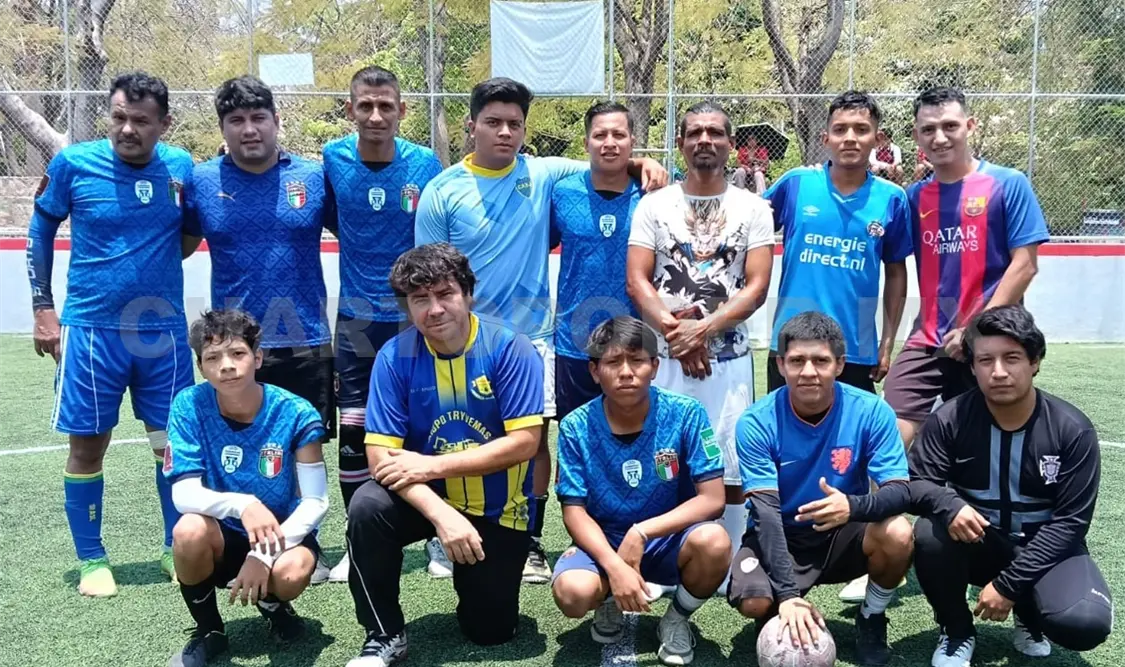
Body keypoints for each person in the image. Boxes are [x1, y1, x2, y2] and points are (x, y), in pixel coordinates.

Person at [415, 77, 667, 583]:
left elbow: (608, 161)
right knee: (454, 433)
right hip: (462, 340)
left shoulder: (544, 173)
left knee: (534, 441)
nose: (505, 132)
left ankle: (529, 539)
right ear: (471, 126)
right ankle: (444, 533)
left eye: (514, 124)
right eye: (493, 122)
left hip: (532, 338)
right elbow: (427, 275)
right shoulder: (443, 190)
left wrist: (646, 162)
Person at [847, 305, 1113, 666]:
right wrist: (950, 505)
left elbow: (1070, 524)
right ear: (972, 367)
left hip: (1045, 548)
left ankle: (1030, 616)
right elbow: (917, 483)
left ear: (1035, 361)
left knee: (1084, 624)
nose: (999, 372)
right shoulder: (951, 418)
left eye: (1012, 358)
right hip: (981, 544)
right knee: (930, 533)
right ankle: (957, 630)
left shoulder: (1072, 429)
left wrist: (1008, 586)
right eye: (986, 360)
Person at [26, 71, 194, 597]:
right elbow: (40, 229)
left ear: (163, 124)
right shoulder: (73, 164)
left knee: (172, 447)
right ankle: (92, 560)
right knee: (88, 447)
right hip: (92, 330)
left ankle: (175, 547)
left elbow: (188, 233)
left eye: (141, 121)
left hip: (161, 331)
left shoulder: (182, 168)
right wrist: (43, 309)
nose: (127, 129)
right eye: (119, 117)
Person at [344, 243, 545, 666]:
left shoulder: (510, 348)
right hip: (426, 501)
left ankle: (477, 582)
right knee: (366, 506)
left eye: (445, 294)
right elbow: (380, 458)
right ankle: (383, 633)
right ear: (408, 306)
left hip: (496, 509)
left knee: (491, 632)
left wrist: (432, 465)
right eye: (420, 299)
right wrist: (443, 516)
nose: (434, 309)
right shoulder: (394, 356)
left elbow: (525, 443)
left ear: (467, 294)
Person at [625, 100, 774, 566]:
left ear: (729, 144)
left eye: (714, 132)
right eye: (694, 133)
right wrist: (675, 336)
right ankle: (661, 557)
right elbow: (637, 280)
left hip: (727, 359)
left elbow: (757, 286)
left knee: (729, 460)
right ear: (681, 143)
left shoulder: (753, 208)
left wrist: (702, 332)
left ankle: (727, 560)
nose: (704, 140)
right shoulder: (654, 206)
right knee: (664, 458)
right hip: (664, 357)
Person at [730, 312, 914, 667]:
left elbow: (899, 492)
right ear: (781, 364)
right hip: (781, 532)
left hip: (842, 533)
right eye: (797, 361)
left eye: (820, 360)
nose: (809, 371)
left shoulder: (872, 411)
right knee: (755, 602)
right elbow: (766, 514)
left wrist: (852, 507)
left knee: (898, 532)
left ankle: (872, 617)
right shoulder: (756, 421)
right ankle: (778, 610)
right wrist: (787, 596)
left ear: (840, 364)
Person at [321, 65, 443, 582]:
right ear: (350, 110)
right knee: (353, 434)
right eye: (365, 106)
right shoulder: (331, 160)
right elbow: (329, 216)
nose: (375, 115)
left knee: (430, 427)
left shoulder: (425, 164)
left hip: (415, 322)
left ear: (401, 111)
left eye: (385, 106)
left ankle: (437, 535)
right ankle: (357, 540)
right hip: (355, 321)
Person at [552, 316, 731, 666]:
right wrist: (613, 565)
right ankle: (606, 602)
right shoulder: (575, 426)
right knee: (573, 594)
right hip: (604, 540)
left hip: (667, 540)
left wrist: (643, 532)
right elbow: (574, 510)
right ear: (594, 371)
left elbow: (714, 499)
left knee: (715, 542)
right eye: (613, 362)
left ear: (654, 365)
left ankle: (677, 618)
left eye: (636, 360)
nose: (626, 372)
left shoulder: (685, 414)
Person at [883, 86, 1049, 449]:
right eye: (928, 130)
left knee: (991, 440)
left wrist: (974, 330)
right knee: (889, 434)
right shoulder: (913, 198)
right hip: (928, 337)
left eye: (950, 126)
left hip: (992, 335)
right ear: (916, 136)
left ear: (969, 126)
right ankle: (887, 507)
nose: (939, 138)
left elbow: (1025, 266)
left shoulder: (1008, 184)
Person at [164, 309, 329, 667]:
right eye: (212, 357)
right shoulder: (188, 406)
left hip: (282, 535)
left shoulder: (297, 412)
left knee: (292, 573)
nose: (226, 365)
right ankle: (209, 631)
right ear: (200, 365)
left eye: (237, 353)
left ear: (257, 357)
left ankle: (273, 604)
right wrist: (243, 505)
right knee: (188, 529)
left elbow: (316, 501)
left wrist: (264, 554)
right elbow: (183, 494)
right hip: (222, 536)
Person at [764, 91, 911, 396]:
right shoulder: (796, 183)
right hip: (790, 346)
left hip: (853, 349)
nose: (850, 138)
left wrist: (887, 342)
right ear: (825, 138)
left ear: (877, 138)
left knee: (851, 443)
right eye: (840, 129)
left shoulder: (892, 198)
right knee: (788, 440)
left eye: (861, 129)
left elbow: (896, 272)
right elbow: (746, 226)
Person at [549, 101, 644, 421]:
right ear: (585, 142)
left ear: (633, 141)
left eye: (619, 134)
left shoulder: (652, 194)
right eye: (600, 135)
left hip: (634, 340)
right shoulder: (561, 193)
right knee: (575, 438)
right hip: (574, 341)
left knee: (632, 438)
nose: (609, 143)